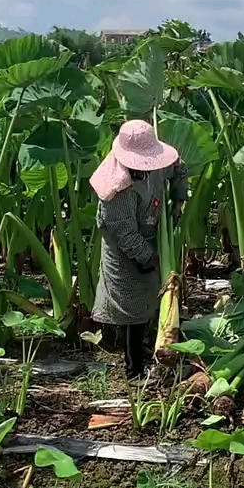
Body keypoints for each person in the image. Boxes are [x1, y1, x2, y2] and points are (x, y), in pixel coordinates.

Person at [90, 120, 188, 378]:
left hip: (150, 233)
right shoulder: (116, 187)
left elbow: (179, 168)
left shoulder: (160, 164)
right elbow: (124, 233)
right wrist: (149, 257)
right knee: (129, 305)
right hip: (123, 249)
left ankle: (145, 348)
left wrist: (178, 199)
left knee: (148, 298)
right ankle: (133, 367)